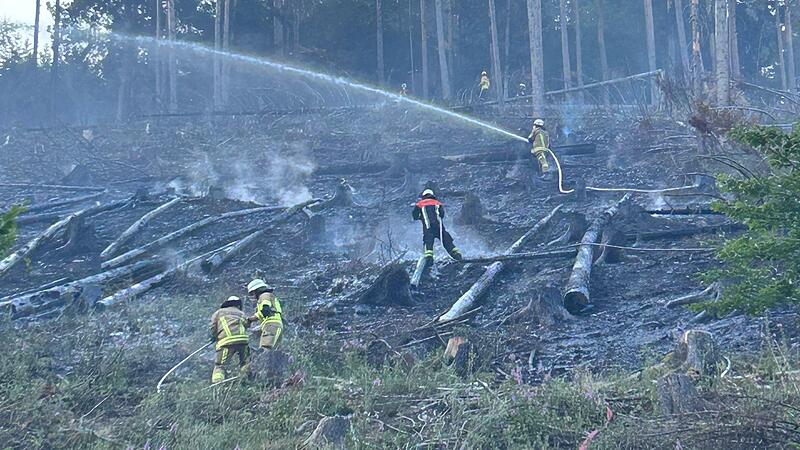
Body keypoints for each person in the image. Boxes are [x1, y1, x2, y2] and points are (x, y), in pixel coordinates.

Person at [412, 189, 463, 264]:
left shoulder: (419, 204)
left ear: (423, 196)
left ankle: (429, 259)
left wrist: (421, 217)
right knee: (447, 241)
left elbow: (415, 216)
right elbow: (441, 215)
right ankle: (457, 256)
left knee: (428, 243)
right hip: (439, 228)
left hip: (428, 228)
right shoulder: (438, 203)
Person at [210, 296, 250, 383]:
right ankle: (244, 379)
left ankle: (217, 383)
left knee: (220, 365)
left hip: (226, 342)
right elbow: (246, 325)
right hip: (243, 341)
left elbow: (213, 326)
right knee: (244, 363)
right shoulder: (241, 313)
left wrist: (214, 337)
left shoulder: (218, 313)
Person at [247, 279, 283, 351]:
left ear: (257, 290)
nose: (253, 296)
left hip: (270, 325)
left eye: (253, 293)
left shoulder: (264, 295)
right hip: (275, 325)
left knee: (265, 349)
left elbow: (265, 310)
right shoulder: (270, 296)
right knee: (273, 351)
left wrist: (251, 319)